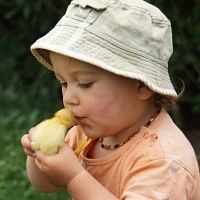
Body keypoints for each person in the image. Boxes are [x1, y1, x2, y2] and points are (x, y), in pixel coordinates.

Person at [21, 0, 200, 199]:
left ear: (141, 85)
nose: (69, 99)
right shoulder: (87, 134)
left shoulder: (162, 162)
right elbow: (47, 184)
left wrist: (75, 178)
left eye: (85, 83)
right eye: (64, 83)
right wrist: (37, 154)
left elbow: (68, 176)